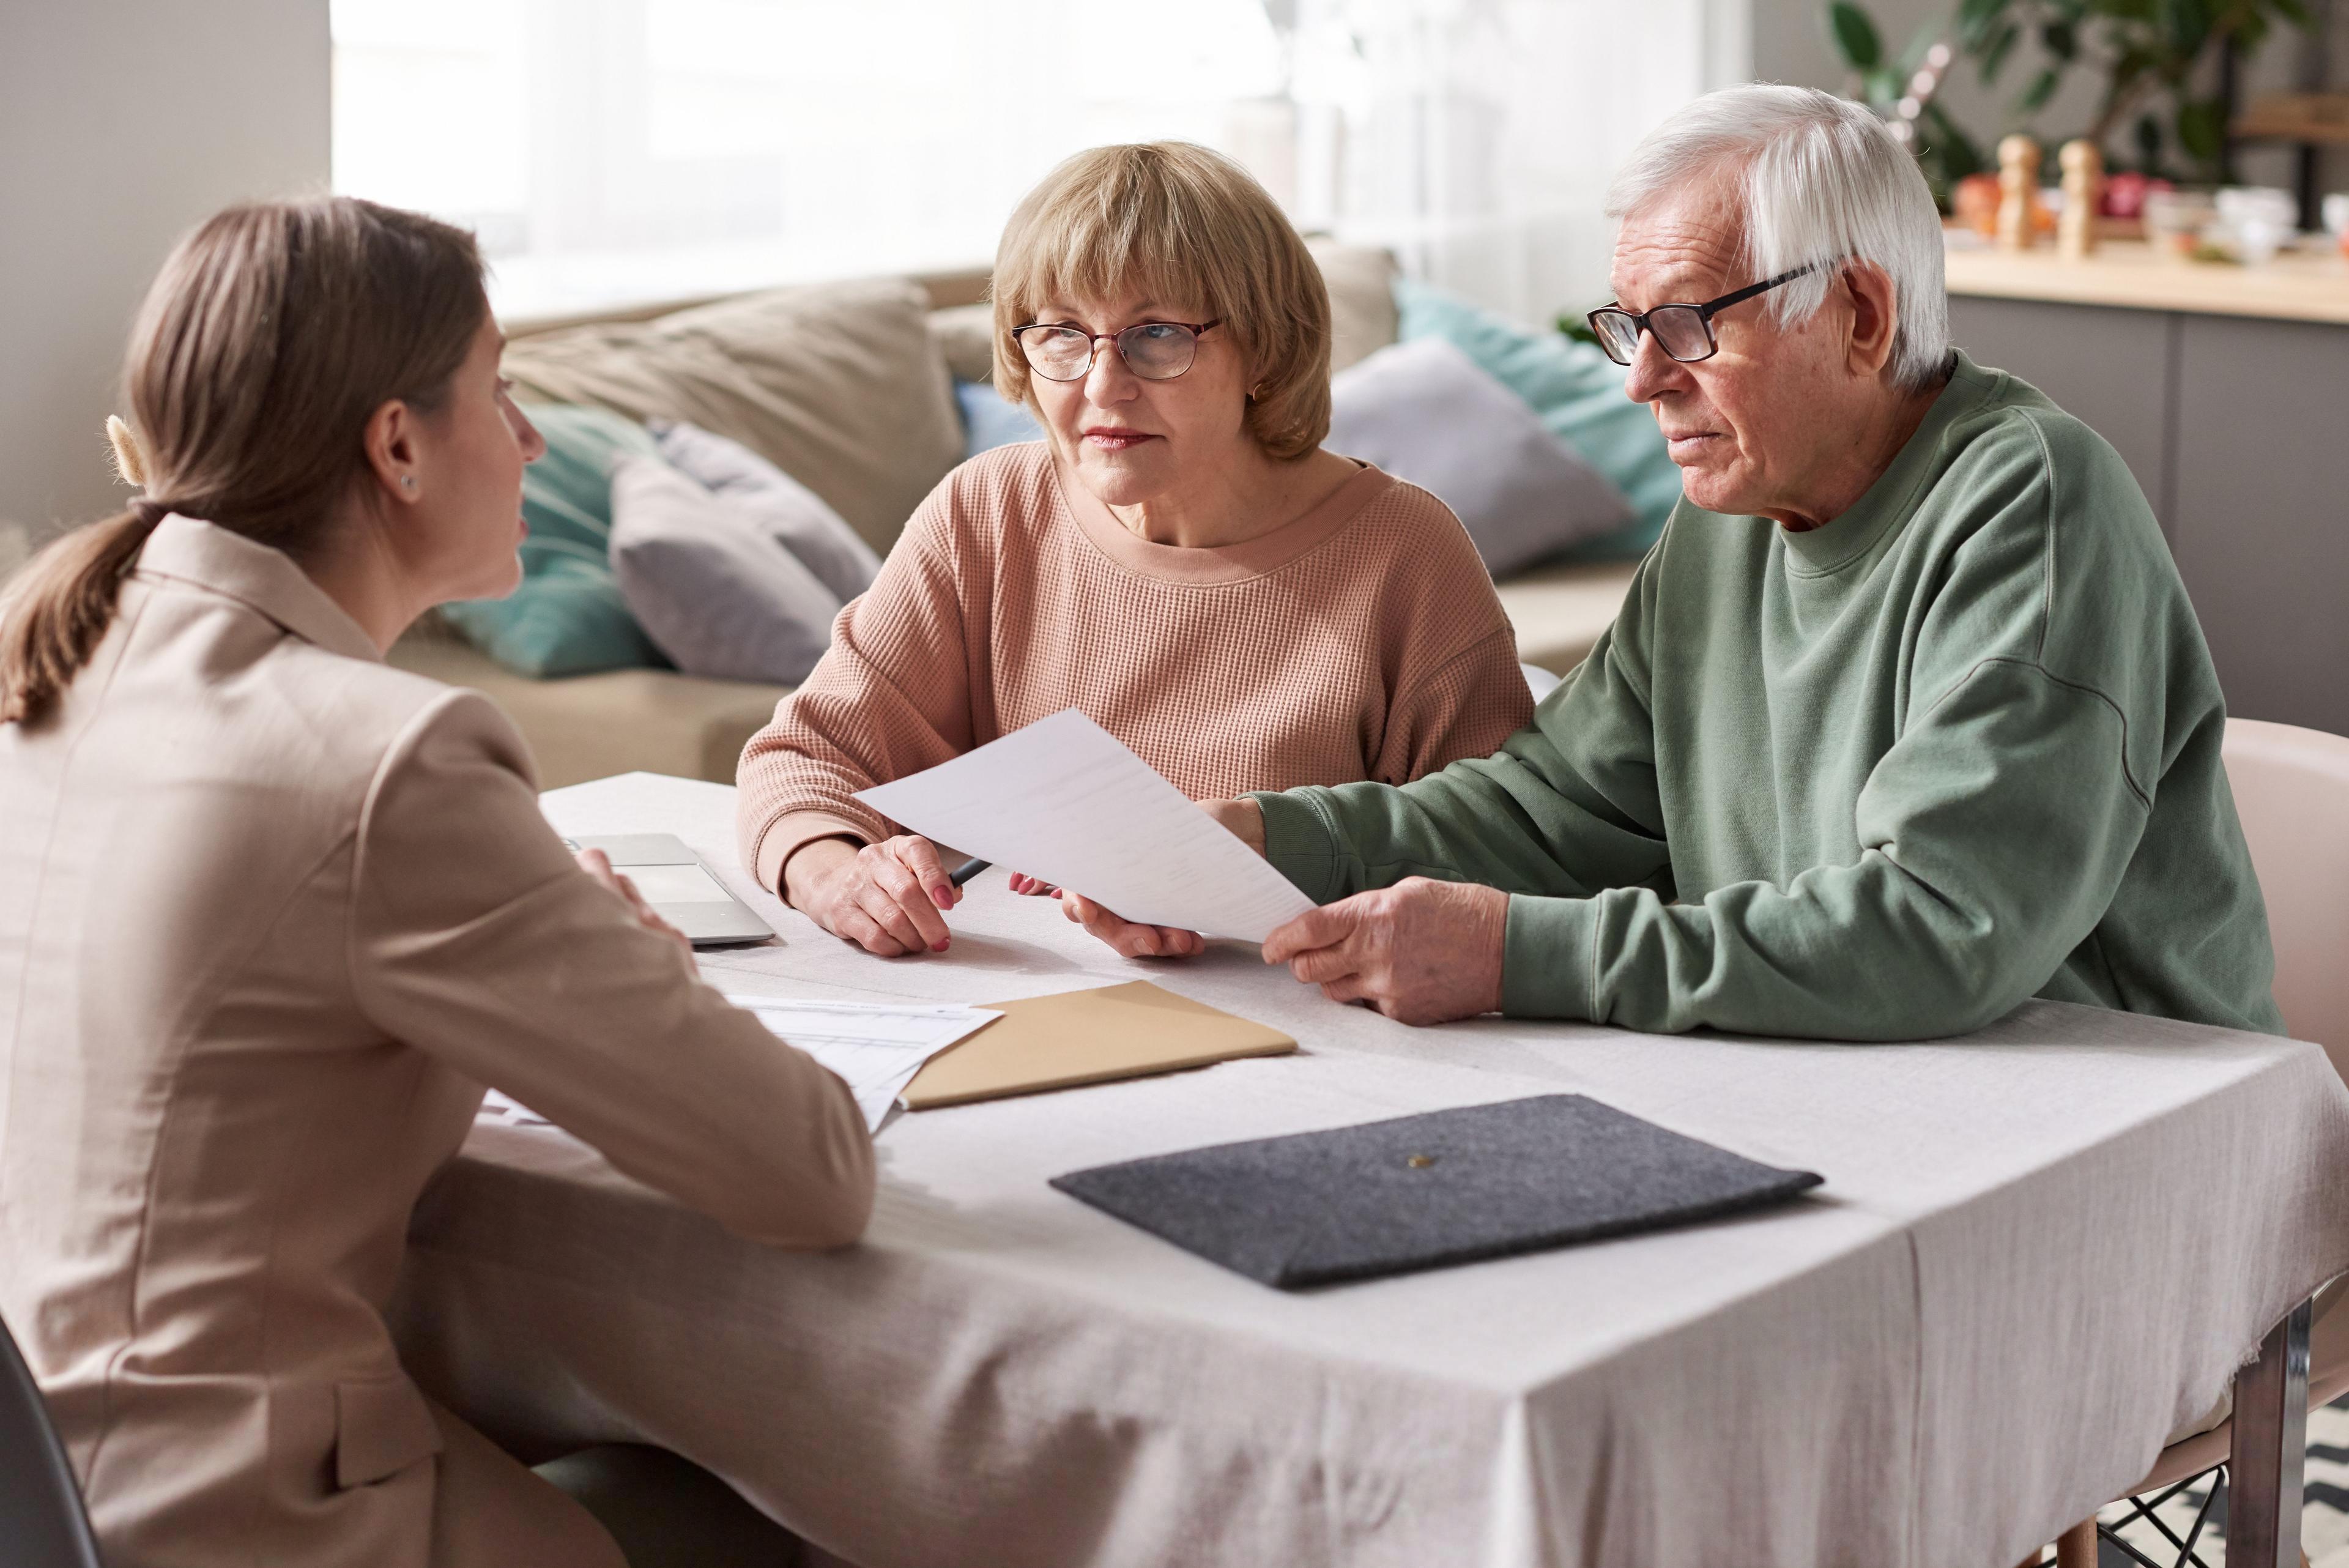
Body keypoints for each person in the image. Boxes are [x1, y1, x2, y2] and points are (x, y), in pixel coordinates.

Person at [0, 197, 875, 1568]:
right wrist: (605, 938)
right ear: (398, 445)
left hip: (47, 1486)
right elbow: (812, 1171)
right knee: (820, 1512)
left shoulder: (56, 656)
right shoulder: (390, 760)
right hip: (243, 1516)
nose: (532, 441)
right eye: (505, 389)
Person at [1157, 86, 2282, 1040]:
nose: (1642, 379)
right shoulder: (1732, 511)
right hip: (1852, 1080)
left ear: (1858, 314)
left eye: (1688, 323)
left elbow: (1945, 928)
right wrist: (1263, 842)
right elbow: (1553, 809)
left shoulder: (2030, 500)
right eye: (1627, 326)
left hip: (2114, 1109)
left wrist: (1513, 956)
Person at [736, 141, 1533, 960]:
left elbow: (1506, 852)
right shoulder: (988, 513)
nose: (1103, 386)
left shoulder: (1405, 553)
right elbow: (804, 759)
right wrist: (832, 874)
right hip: (1029, 1008)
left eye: (1156, 336)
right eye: (1063, 334)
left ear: (1262, 349)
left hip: (1318, 1025)